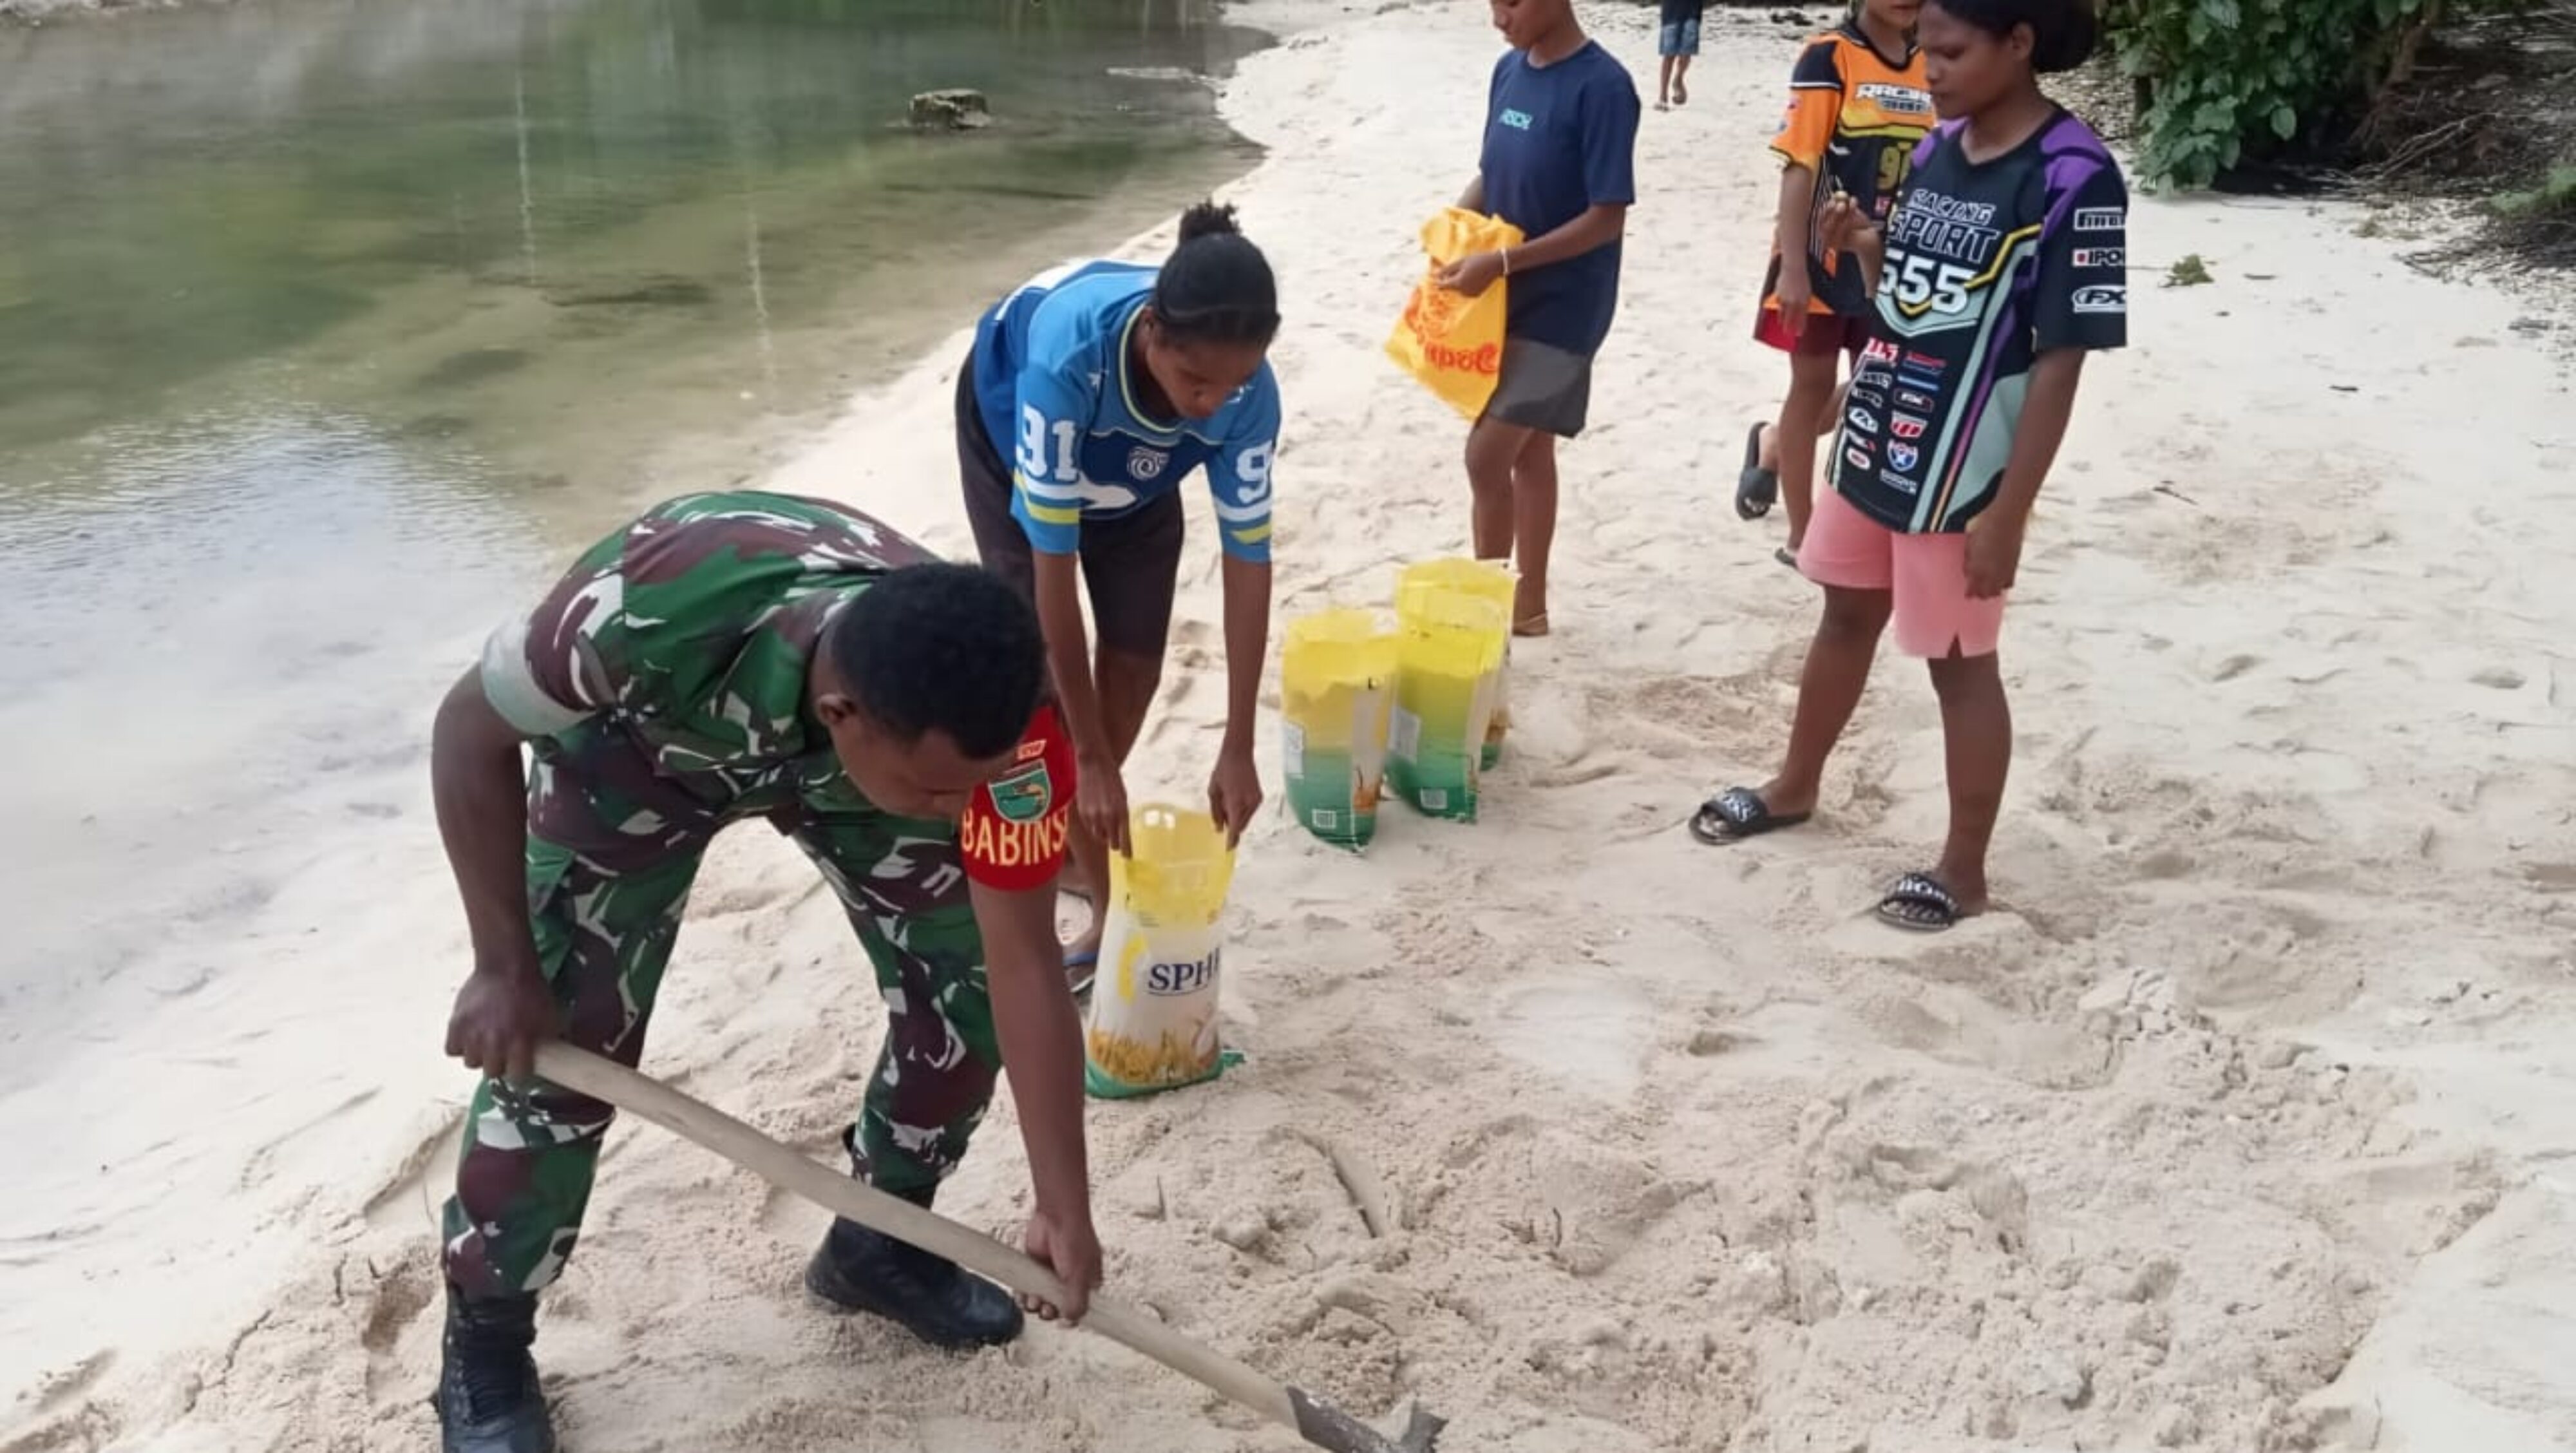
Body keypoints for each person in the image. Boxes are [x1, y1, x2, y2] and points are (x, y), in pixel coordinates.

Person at [430, 491, 1102, 1453]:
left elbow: (1023, 966)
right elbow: (465, 733)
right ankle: (486, 1342)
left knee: (961, 995)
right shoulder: (634, 615)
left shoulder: (1008, 736)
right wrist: (500, 965)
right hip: (641, 751)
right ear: (842, 713)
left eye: (979, 789)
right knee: (557, 1050)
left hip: (858, 783)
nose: (966, 813)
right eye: (947, 795)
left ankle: (881, 1241)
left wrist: (1062, 1207)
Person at [1691, 0, 2126, 933]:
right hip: (1882, 429)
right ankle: (1796, 785)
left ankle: (1963, 869)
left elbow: (2061, 356)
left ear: (2020, 45)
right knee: (1843, 612)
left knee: (1962, 663)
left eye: (1952, 53)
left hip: (1967, 469)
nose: (1928, 71)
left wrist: (2008, 512)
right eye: (1925, 51)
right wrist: (1867, 249)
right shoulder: (1936, 148)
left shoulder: (2073, 176)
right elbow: (1921, 292)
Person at [956, 201, 1280, 991]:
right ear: (1153, 339)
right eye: (1193, 379)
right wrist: (1095, 765)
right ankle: (1106, 907)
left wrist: (1238, 742)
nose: (1211, 402)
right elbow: (1053, 566)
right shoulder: (1069, 359)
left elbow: (1248, 563)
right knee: (1039, 685)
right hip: (1012, 450)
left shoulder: (1245, 396)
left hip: (1137, 479)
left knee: (1135, 663)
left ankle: (1074, 825)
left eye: (1232, 383)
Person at [1438, 0, 1640, 638]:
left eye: (1514, 3)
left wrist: (1501, 261)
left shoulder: (1604, 87)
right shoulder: (1508, 71)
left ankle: (1484, 616)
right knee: (1531, 452)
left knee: (1486, 455)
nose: (1501, 17)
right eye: (1493, 4)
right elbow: (1492, 173)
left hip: (1566, 307)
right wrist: (1450, 229)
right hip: (1503, 297)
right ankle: (1529, 606)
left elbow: (1607, 216)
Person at [1734, 0, 1934, 566]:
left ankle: (1773, 445)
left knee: (1882, 383)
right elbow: (1800, 163)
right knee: (1814, 384)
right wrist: (1793, 266)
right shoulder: (1830, 57)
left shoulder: (1936, 62)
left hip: (1895, 258)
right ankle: (1803, 536)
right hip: (1821, 257)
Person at [1656, 0, 1706, 109]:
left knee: (1686, 52)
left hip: (1692, 9)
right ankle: (1663, 96)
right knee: (1669, 54)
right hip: (1671, 10)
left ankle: (1678, 79)